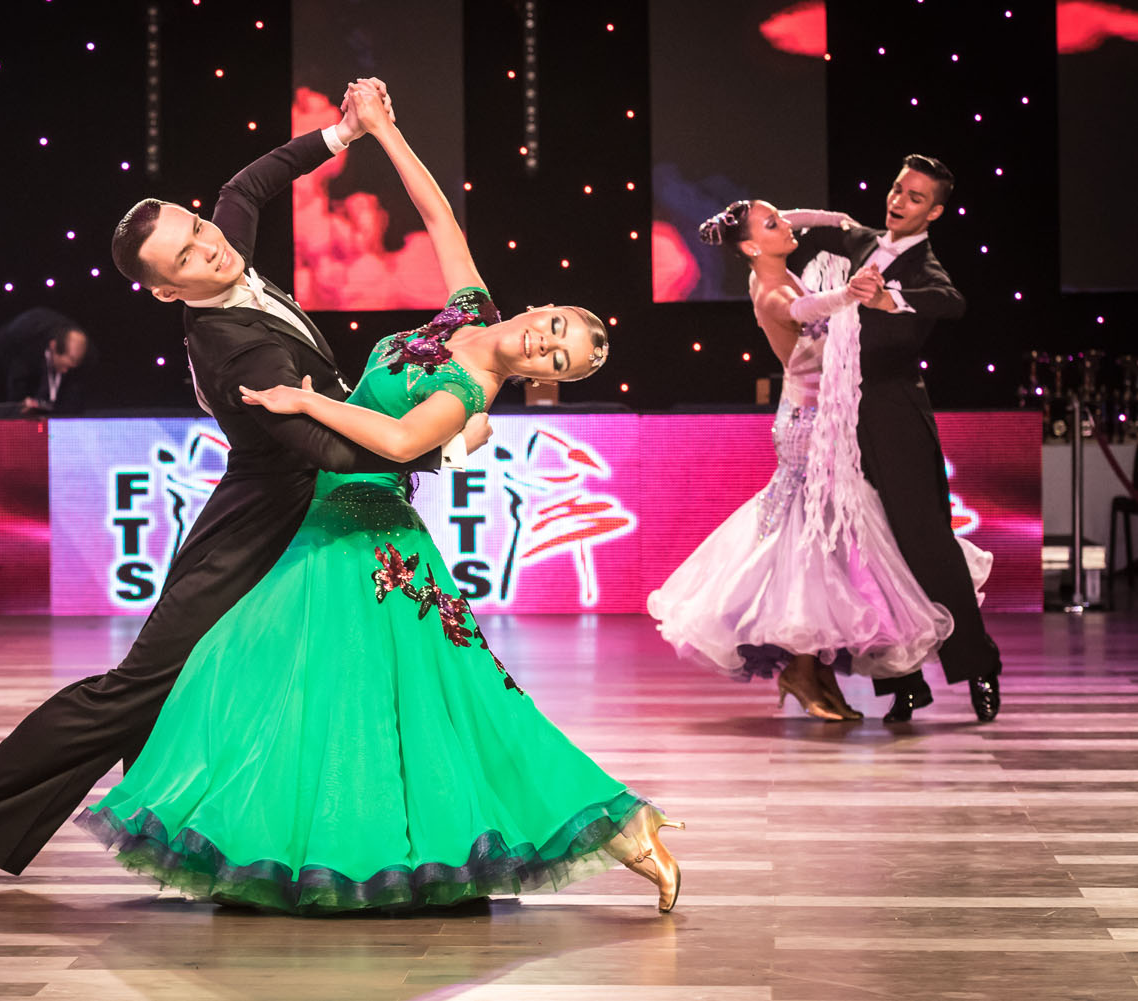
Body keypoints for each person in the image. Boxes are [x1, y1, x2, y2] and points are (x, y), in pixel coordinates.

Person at [75, 82, 685, 916]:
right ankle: (275, 837)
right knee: (281, 684)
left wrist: (306, 401)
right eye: (558, 329)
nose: (547, 346)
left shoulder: (474, 381)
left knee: (416, 706)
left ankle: (618, 828)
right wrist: (383, 132)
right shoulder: (468, 314)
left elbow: (396, 444)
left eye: (561, 362)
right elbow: (439, 216)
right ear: (544, 307)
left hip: (372, 536)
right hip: (324, 522)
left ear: (547, 378)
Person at [0, 80, 488, 893]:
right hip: (259, 528)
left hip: (313, 513)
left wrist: (341, 135)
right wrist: (434, 442)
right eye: (188, 257)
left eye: (199, 232)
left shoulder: (220, 245)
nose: (211, 248)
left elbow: (245, 187)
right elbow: (328, 453)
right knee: (133, 694)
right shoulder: (236, 355)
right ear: (167, 289)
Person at [647, 199, 988, 722]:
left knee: (827, 543)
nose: (786, 226)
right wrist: (846, 295)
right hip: (807, 425)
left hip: (827, 418)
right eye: (772, 224)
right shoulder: (773, 287)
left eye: (783, 217)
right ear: (750, 246)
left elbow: (829, 226)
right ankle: (804, 669)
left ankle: (814, 668)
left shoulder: (779, 266)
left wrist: (806, 218)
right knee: (812, 540)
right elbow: (797, 313)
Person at [782, 155, 1003, 723]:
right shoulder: (860, 241)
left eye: (913, 196)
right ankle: (903, 685)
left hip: (894, 411)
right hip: (841, 413)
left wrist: (890, 299)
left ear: (934, 210)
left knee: (924, 541)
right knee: (865, 551)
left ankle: (978, 666)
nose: (898, 200)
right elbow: (817, 221)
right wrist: (755, 220)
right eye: (897, 188)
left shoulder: (925, 264)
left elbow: (953, 303)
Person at [0, 307, 89, 413]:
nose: (66, 371)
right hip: (16, 381)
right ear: (53, 346)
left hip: (48, 403)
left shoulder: (85, 355)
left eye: (72, 367)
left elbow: (74, 401)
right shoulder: (25, 330)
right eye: (65, 366)